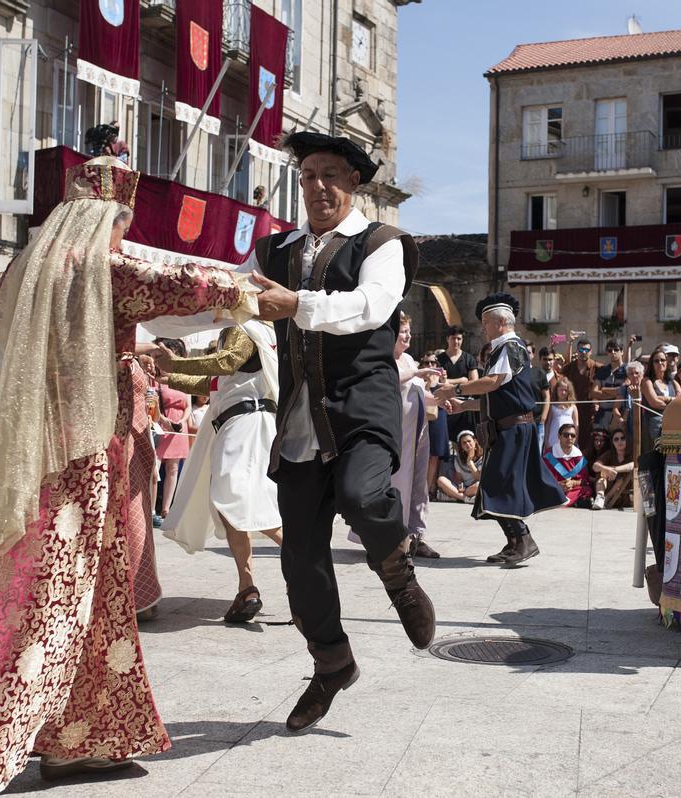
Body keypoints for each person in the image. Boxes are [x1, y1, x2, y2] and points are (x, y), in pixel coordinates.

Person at [0, 155, 253, 795]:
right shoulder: (103, 267)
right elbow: (183, 282)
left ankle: (79, 740)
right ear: (110, 220)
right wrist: (252, 290)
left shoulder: (24, 268)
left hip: (37, 449)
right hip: (83, 456)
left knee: (85, 594)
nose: (124, 236)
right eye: (123, 224)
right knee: (53, 595)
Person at [248, 131, 435, 735]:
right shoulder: (273, 249)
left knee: (362, 494)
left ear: (355, 182)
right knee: (300, 560)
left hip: (362, 409)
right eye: (308, 176)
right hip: (300, 419)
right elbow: (222, 295)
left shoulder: (383, 243)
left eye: (331, 174)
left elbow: (371, 306)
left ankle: (399, 575)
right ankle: (332, 663)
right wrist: (153, 318)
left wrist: (297, 305)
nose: (318, 186)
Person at [160, 323, 284, 623]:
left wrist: (175, 364)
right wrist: (170, 376)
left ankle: (301, 555)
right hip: (244, 423)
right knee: (233, 505)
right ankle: (247, 587)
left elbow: (227, 362)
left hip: (245, 424)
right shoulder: (252, 331)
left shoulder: (244, 328)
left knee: (234, 498)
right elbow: (216, 383)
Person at [434, 293, 566, 566]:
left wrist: (455, 389)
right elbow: (497, 397)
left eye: (485, 322)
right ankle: (515, 542)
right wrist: (464, 406)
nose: (482, 328)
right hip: (506, 429)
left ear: (500, 323)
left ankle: (524, 540)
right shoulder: (504, 349)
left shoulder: (511, 347)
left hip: (514, 430)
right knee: (493, 485)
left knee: (500, 485)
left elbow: (492, 382)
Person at [392, 313, 437, 558]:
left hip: (419, 431)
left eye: (409, 331)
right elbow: (391, 379)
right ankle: (394, 539)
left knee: (419, 484)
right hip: (398, 433)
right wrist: (418, 373)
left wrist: (441, 399)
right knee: (399, 484)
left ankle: (417, 536)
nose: (408, 335)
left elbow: (420, 393)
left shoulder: (409, 359)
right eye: (403, 331)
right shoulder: (386, 359)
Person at [153, 338, 191, 522]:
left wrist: (182, 421)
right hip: (160, 425)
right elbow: (151, 404)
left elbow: (188, 406)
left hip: (179, 427)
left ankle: (166, 509)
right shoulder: (156, 380)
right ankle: (152, 508)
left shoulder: (182, 379)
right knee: (155, 467)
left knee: (173, 468)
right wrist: (164, 420)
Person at [439, 324, 479, 445]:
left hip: (465, 407)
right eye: (453, 338)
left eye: (459, 338)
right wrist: (462, 380)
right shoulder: (439, 359)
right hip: (446, 406)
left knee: (466, 444)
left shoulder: (469, 359)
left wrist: (449, 382)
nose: (456, 341)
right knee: (445, 444)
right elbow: (438, 383)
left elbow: (474, 383)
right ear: (447, 339)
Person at [561, 334, 598, 454]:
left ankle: (587, 464)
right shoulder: (570, 367)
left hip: (590, 412)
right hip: (572, 409)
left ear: (591, 351)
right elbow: (563, 365)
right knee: (571, 438)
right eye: (581, 349)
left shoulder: (596, 367)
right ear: (577, 351)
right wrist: (569, 343)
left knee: (589, 441)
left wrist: (598, 402)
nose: (583, 352)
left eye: (586, 350)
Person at [421, 350, 451, 499]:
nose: (430, 365)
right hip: (422, 417)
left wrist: (444, 380)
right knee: (422, 453)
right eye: (427, 362)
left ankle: (428, 489)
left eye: (433, 362)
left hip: (439, 416)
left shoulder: (441, 379)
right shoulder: (419, 378)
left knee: (435, 454)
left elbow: (449, 394)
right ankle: (422, 487)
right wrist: (426, 381)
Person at [542, 422, 592, 507]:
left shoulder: (579, 456)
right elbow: (543, 477)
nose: (569, 438)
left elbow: (585, 480)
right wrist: (558, 484)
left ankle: (561, 501)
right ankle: (572, 502)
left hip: (571, 489)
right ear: (559, 436)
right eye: (566, 435)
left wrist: (573, 483)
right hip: (553, 487)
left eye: (572, 435)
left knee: (587, 490)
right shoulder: (549, 454)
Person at [641, 349, 678, 448]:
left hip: (672, 424)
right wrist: (673, 401)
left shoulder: (672, 381)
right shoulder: (647, 381)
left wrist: (665, 398)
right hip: (654, 426)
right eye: (656, 361)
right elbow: (655, 403)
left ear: (667, 362)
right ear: (651, 364)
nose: (660, 363)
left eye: (663, 360)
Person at [591, 428, 634, 510]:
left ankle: (606, 499)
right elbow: (595, 466)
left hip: (622, 492)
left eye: (622, 438)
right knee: (601, 475)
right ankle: (600, 497)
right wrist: (607, 470)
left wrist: (614, 470)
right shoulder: (609, 454)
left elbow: (632, 465)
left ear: (627, 440)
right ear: (613, 442)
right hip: (607, 486)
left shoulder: (631, 454)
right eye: (616, 439)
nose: (619, 441)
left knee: (622, 476)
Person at [437, 429, 482, 502]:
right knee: (441, 480)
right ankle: (465, 498)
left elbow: (478, 478)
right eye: (464, 443)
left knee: (479, 485)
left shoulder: (482, 457)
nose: (467, 444)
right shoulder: (458, 459)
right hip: (464, 489)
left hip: (473, 487)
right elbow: (459, 478)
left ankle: (455, 496)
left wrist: (470, 462)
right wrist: (461, 486)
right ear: (461, 447)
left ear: (475, 442)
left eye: (469, 441)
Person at [592, 340, 626, 431]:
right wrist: (616, 394)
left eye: (616, 350)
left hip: (620, 415)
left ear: (622, 351)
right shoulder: (602, 370)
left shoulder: (628, 370)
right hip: (602, 416)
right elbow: (594, 393)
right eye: (610, 350)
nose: (613, 352)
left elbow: (624, 391)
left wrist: (603, 390)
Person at [542, 376, 578, 451]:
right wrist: (546, 440)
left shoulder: (573, 407)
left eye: (566, 390)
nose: (563, 392)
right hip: (553, 438)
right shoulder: (552, 406)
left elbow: (576, 425)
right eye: (561, 390)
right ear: (557, 390)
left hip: (568, 439)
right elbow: (548, 424)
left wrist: (575, 440)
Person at [528, 347, 551, 449]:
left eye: (529, 352)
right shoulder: (515, 373)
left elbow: (546, 396)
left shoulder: (539, 372)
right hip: (520, 422)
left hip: (537, 421)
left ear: (533, 355)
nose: (526, 354)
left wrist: (543, 418)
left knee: (536, 453)